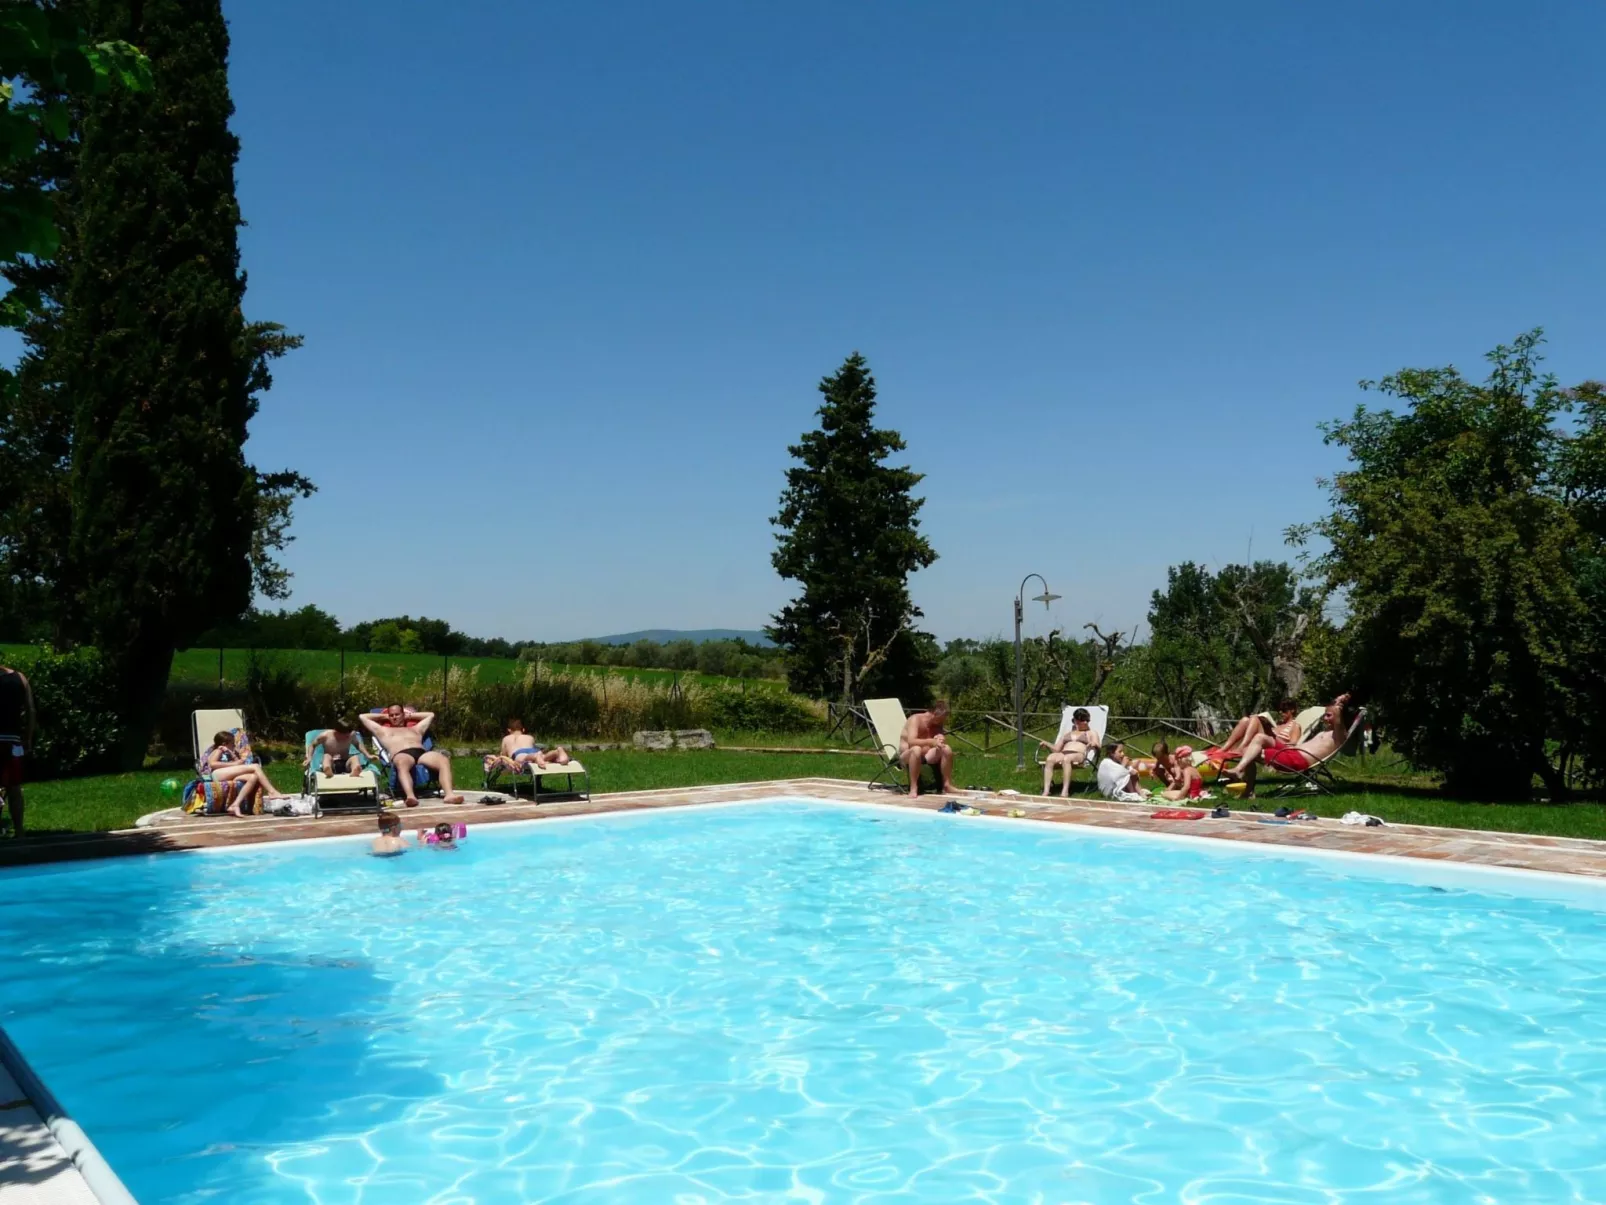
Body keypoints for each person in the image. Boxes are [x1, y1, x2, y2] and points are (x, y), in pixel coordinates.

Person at [1219, 694, 1357, 795]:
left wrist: (1339, 703)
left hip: (1298, 760)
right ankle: (1239, 771)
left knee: (1251, 752)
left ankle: (1247, 786)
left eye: (1329, 716)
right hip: (1292, 752)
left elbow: (1339, 716)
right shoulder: (1328, 731)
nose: (1324, 718)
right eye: (1325, 715)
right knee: (1259, 737)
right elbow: (1336, 714)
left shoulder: (1340, 735)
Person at [360, 705, 464, 806]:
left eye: (397, 714)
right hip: (401, 754)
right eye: (391, 715)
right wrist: (384, 716)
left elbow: (430, 715)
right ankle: (411, 797)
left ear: (403, 715)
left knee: (443, 760)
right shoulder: (383, 730)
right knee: (402, 763)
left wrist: (409, 715)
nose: (394, 717)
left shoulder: (416, 729)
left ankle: (449, 795)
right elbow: (362, 717)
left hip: (421, 753)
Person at [203, 730, 289, 817]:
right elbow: (213, 764)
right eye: (232, 743)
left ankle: (235, 804)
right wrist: (234, 764)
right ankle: (272, 792)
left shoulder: (228, 752)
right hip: (217, 774)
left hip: (227, 774)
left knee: (253, 777)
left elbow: (238, 763)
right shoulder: (218, 750)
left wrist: (231, 754)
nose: (234, 745)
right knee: (255, 766)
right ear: (224, 744)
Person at [0, 661, 35, 837]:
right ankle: (19, 830)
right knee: (14, 788)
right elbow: (30, 710)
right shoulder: (20, 678)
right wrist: (28, 738)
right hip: (13, 742)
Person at [900, 700, 957, 799]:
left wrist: (940, 739)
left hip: (926, 756)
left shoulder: (937, 723)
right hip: (908, 756)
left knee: (946, 748)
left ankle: (947, 784)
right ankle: (913, 788)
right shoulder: (915, 719)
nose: (943, 721)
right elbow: (911, 741)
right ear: (935, 714)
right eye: (942, 718)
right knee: (916, 749)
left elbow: (937, 738)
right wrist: (931, 742)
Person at [1212, 700, 1302, 760]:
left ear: (1292, 710)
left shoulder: (1295, 725)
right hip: (1263, 741)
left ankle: (1241, 747)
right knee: (1245, 720)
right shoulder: (1278, 723)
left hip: (1277, 748)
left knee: (1255, 719)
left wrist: (1276, 738)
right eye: (1280, 710)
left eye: (1284, 710)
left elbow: (1293, 746)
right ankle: (1224, 748)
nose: (1281, 712)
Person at [483, 717, 571, 777]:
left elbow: (504, 755)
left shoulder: (506, 738)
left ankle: (536, 756)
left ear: (509, 730)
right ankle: (557, 751)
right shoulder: (529, 737)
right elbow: (531, 747)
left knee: (525, 758)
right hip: (534, 751)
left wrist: (501, 759)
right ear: (523, 730)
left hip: (519, 753)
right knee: (544, 757)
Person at [1039, 708, 1098, 797]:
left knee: (1067, 758)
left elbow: (1097, 744)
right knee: (1050, 758)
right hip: (1063, 753)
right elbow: (1056, 749)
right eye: (1082, 720)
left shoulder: (1090, 732)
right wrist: (1046, 743)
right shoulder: (1067, 733)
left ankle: (1065, 791)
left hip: (1078, 754)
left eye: (1087, 720)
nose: (1086, 722)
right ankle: (1046, 791)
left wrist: (1093, 743)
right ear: (1075, 720)